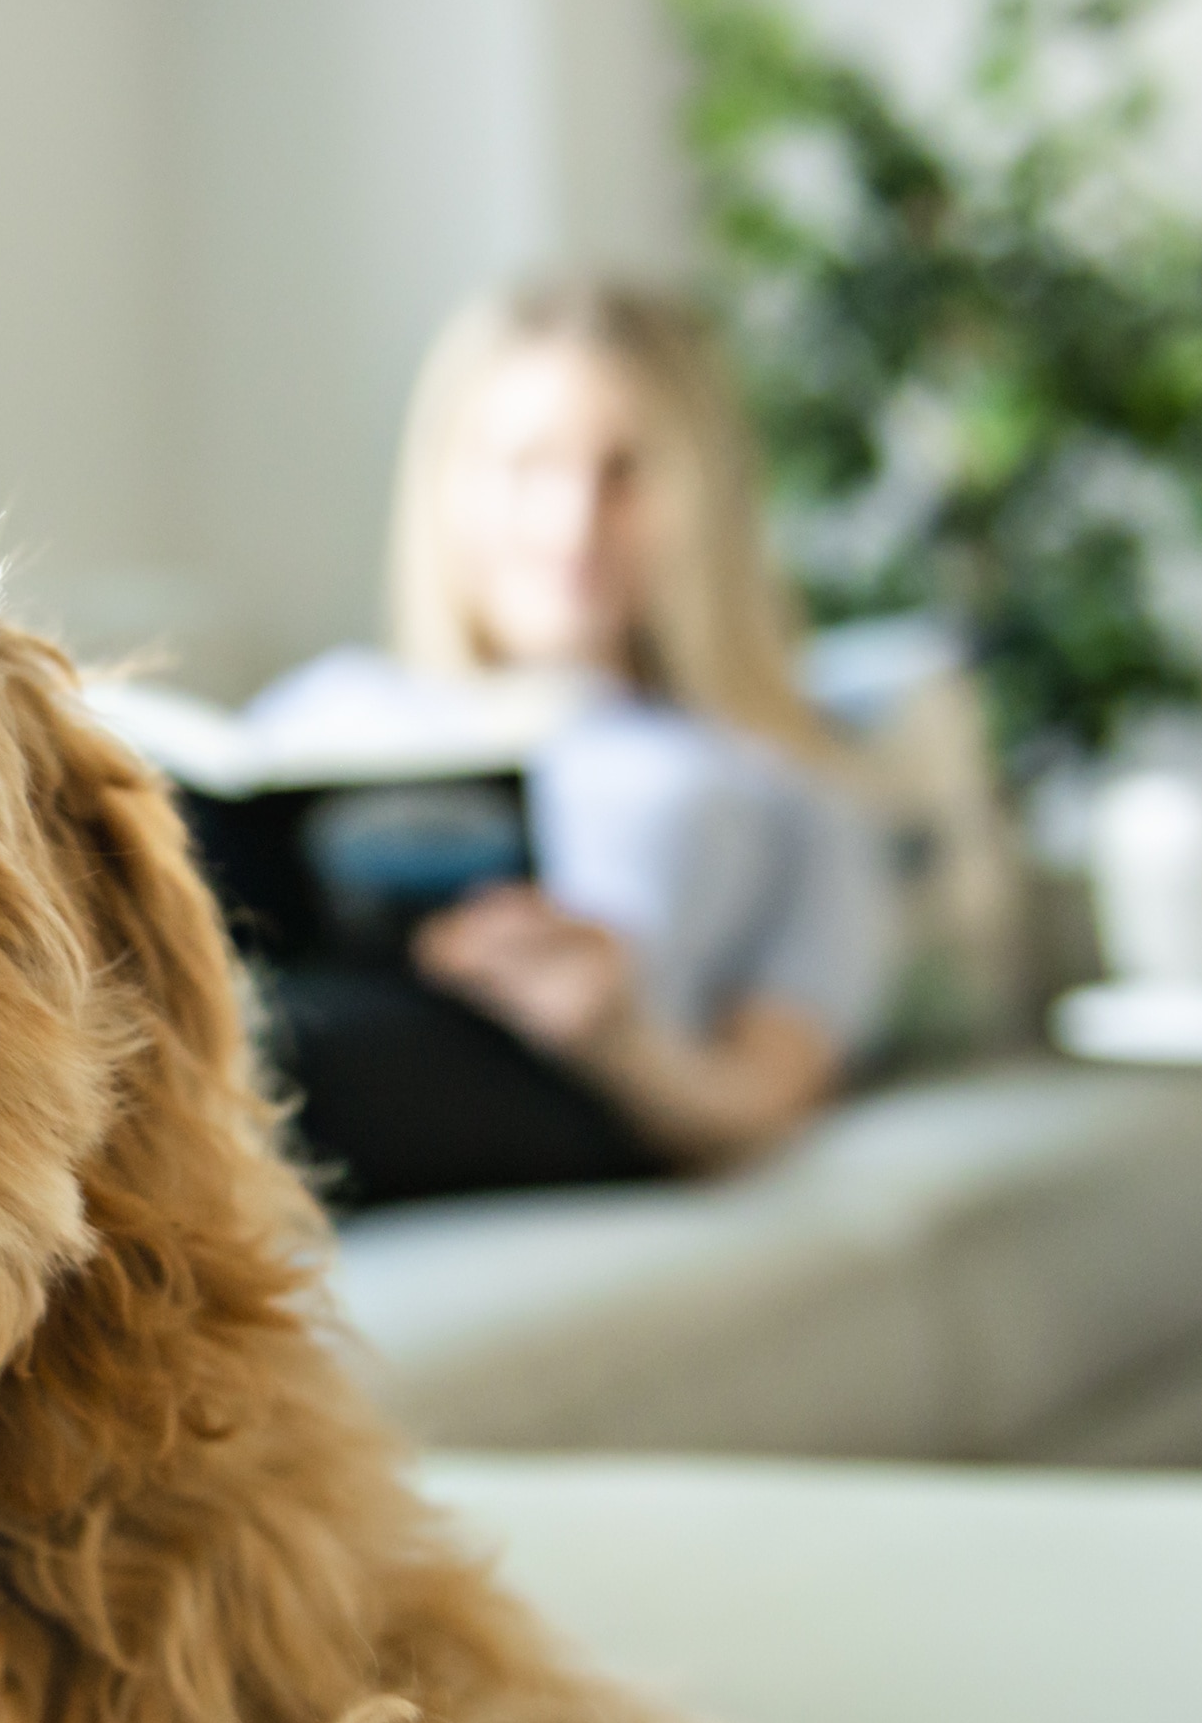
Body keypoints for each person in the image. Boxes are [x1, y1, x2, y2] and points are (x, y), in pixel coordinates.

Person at [206, 279, 888, 1211]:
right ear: (449, 482)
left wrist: (619, 1036)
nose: (572, 523)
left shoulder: (771, 776)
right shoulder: (323, 708)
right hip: (259, 1021)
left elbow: (766, 1096)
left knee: (249, 1051)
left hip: (554, 1082)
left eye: (626, 470)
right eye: (527, 465)